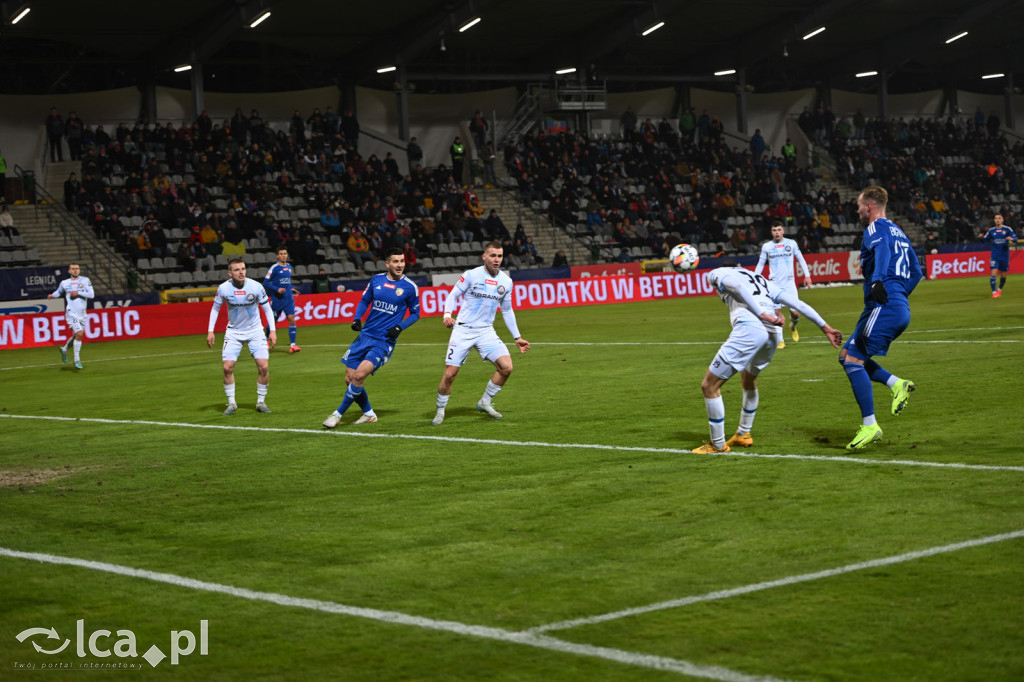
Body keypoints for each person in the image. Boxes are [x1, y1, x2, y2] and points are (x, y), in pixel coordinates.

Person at [694, 265, 843, 454]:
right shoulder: (761, 280)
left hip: (751, 328)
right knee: (749, 378)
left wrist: (761, 314)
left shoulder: (717, 273)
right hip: (773, 333)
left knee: (709, 386)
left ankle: (717, 444)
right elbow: (798, 304)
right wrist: (825, 327)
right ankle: (743, 434)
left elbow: (737, 288)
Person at [840, 186, 923, 451]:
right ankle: (897, 384)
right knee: (846, 355)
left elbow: (883, 248)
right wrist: (900, 296)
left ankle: (870, 425)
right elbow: (916, 271)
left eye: (858, 206)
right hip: (893, 304)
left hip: (883, 304)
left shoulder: (876, 228)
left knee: (853, 360)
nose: (857, 211)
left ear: (869, 207)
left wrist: (879, 282)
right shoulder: (900, 232)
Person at [431, 241, 530, 425]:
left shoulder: (506, 282)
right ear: (484, 256)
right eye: (493, 255)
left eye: (499, 256)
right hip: (463, 330)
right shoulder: (471, 275)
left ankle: (485, 402)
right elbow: (453, 295)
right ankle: (440, 410)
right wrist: (447, 315)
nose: (496, 259)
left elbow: (507, 310)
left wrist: (517, 337)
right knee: (450, 374)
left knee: (506, 367)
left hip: (486, 331)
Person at [322, 248, 421, 428]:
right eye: (395, 261)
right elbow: (364, 300)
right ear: (387, 264)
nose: (400, 265)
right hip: (365, 335)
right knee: (349, 378)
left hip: (384, 341)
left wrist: (400, 327)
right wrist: (357, 318)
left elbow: (415, 314)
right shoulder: (376, 280)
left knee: (359, 376)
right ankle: (369, 413)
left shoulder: (410, 287)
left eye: (402, 261)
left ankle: (337, 415)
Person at [207, 258, 277, 415]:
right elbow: (215, 309)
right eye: (237, 270)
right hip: (234, 333)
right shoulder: (224, 288)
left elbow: (267, 309)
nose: (241, 272)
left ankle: (261, 402)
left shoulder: (256, 286)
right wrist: (210, 330)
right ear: (230, 273)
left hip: (255, 332)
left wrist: (272, 330)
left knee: (264, 366)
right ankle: (231, 403)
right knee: (227, 367)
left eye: (243, 269)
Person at [753, 221, 813, 348]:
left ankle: (792, 326)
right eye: (774, 230)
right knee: (776, 311)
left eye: (779, 230)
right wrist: (754, 279)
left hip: (789, 284)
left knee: (795, 313)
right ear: (771, 232)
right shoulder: (767, 247)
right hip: (774, 285)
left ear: (783, 231)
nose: (777, 232)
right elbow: (760, 264)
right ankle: (780, 340)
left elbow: (801, 259)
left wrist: (807, 275)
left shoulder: (791, 244)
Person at [47, 263, 94, 369]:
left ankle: (64, 349)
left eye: (77, 268)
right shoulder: (65, 283)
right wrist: (52, 295)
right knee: (79, 333)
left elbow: (91, 295)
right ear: (69, 271)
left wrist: (78, 293)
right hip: (71, 313)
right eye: (73, 269)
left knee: (76, 336)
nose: (75, 270)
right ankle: (76, 360)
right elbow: (58, 292)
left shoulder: (85, 280)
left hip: (83, 314)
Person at [263, 245, 301, 353]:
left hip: (288, 298)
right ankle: (266, 340)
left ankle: (293, 345)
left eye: (285, 253)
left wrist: (291, 289)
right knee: (273, 322)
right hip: (277, 299)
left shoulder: (289, 267)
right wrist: (277, 289)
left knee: (291, 319)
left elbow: (286, 281)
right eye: (281, 254)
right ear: (277, 256)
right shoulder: (274, 268)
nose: (283, 256)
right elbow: (265, 282)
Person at [979, 213, 1018, 298]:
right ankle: (994, 292)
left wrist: (1012, 239)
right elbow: (985, 240)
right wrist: (981, 238)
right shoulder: (991, 231)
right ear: (994, 220)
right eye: (996, 218)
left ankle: (999, 289)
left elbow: (1016, 239)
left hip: (1004, 255)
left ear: (1002, 220)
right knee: (994, 271)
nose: (997, 220)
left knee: (1003, 274)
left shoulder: (1008, 229)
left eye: (999, 218)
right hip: (995, 254)